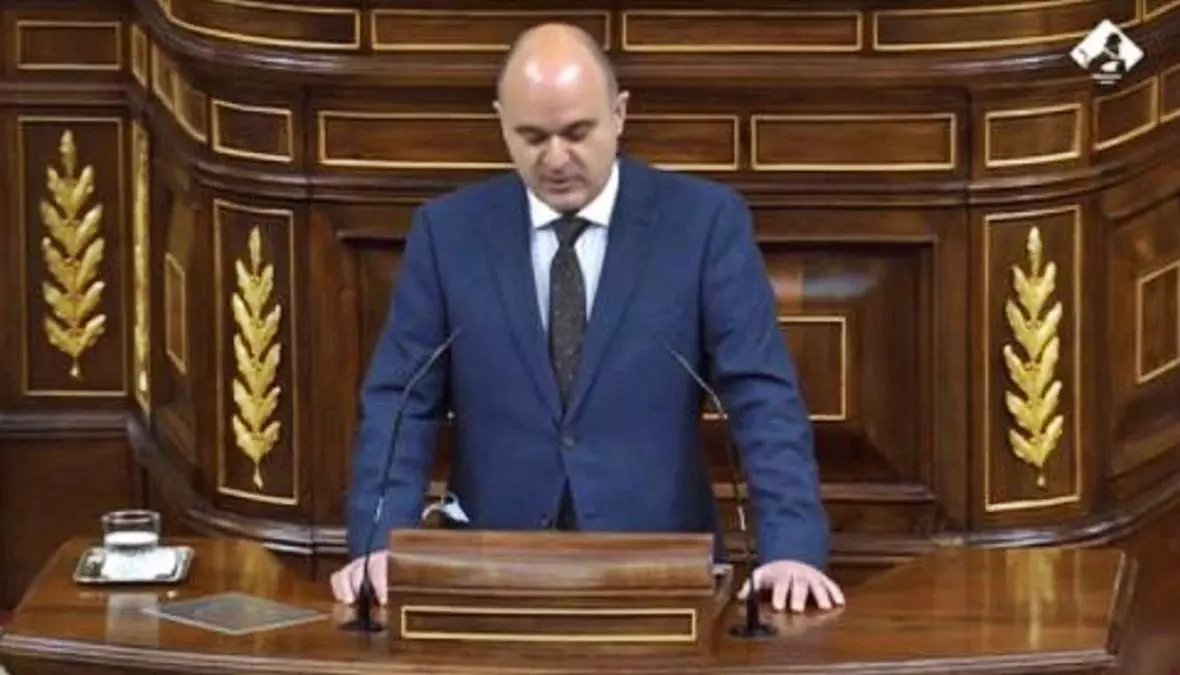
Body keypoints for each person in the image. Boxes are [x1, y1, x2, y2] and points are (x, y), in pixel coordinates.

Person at [330, 22, 845, 614]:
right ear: (501, 123)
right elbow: (401, 401)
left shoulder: (702, 224)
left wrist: (792, 549)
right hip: (491, 575)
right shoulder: (448, 234)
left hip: (661, 577)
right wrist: (377, 543)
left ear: (620, 114)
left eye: (577, 133)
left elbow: (762, 396)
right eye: (532, 137)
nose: (556, 159)